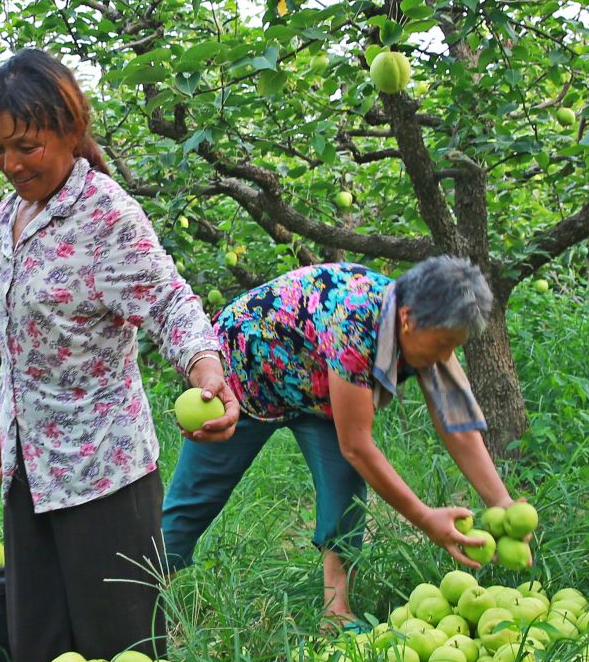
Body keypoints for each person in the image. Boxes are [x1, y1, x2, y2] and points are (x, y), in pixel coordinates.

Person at [0, 49, 238, 662]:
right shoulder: (13, 214)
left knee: (125, 659)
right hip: (31, 469)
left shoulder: (104, 215)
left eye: (27, 147)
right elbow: (22, 339)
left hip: (101, 470)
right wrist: (4, 424)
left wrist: (206, 368)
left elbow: (170, 300)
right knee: (40, 650)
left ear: (71, 130)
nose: (11, 165)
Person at [160, 256, 516, 625]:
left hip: (316, 388)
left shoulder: (426, 326)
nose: (445, 356)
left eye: (453, 347)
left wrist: (501, 503)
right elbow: (357, 445)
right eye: (443, 344)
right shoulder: (355, 320)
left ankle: (336, 611)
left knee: (344, 486)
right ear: (408, 319)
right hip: (247, 375)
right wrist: (425, 518)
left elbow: (457, 425)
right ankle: (144, 590)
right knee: (197, 493)